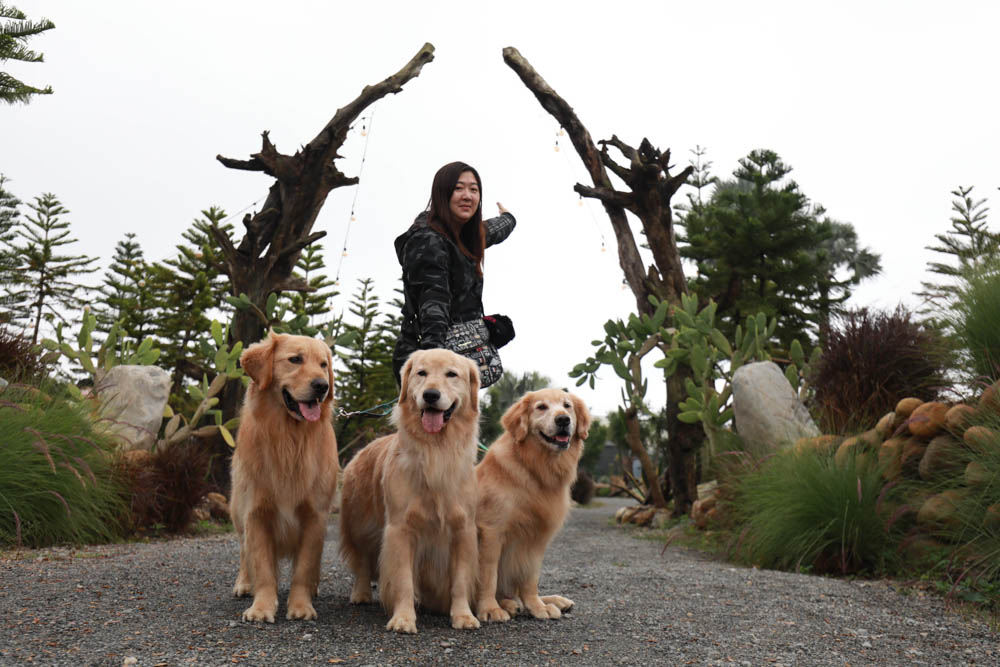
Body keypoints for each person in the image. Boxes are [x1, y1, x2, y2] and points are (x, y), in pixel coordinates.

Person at [392, 161, 516, 384]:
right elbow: (433, 301)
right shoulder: (427, 240)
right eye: (458, 188)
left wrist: (509, 218)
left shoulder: (465, 235)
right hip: (428, 364)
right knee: (434, 420)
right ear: (441, 193)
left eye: (474, 189)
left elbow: (494, 230)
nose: (467, 196)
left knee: (462, 420)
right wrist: (434, 365)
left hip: (454, 362)